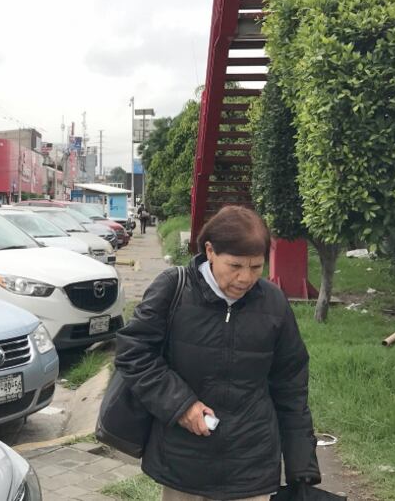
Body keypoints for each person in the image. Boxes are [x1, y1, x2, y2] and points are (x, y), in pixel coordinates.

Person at [115, 205, 320, 501]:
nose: (245, 278)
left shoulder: (273, 303)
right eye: (235, 266)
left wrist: (301, 465)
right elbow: (133, 352)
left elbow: (291, 385)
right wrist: (181, 405)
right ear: (210, 251)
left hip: (251, 462)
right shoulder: (174, 289)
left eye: (256, 267)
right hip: (184, 459)